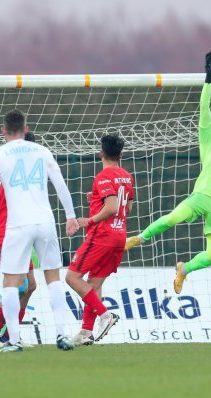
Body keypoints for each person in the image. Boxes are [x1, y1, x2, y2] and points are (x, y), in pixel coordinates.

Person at [125, 52, 211, 293]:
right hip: (203, 195)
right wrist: (209, 79)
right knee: (173, 218)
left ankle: (183, 270)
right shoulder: (208, 138)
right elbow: (204, 107)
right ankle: (138, 239)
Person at [0, 109, 79, 352]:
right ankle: (62, 335)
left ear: (3, 130)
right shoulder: (42, 151)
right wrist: (71, 216)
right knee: (53, 279)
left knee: (11, 283)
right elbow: (60, 184)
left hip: (18, 226)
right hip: (46, 223)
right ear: (26, 129)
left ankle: (13, 340)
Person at [65, 134, 133, 346]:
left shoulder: (103, 177)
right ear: (120, 154)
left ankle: (106, 315)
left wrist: (89, 220)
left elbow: (112, 207)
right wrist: (96, 199)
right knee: (94, 283)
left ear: (100, 153)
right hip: (120, 235)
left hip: (102, 235)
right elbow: (125, 208)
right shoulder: (127, 176)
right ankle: (86, 332)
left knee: (72, 277)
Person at [0, 131, 38, 347]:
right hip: (7, 235)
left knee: (31, 285)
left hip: (16, 234)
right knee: (19, 286)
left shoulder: (11, 169)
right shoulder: (19, 172)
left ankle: (8, 336)